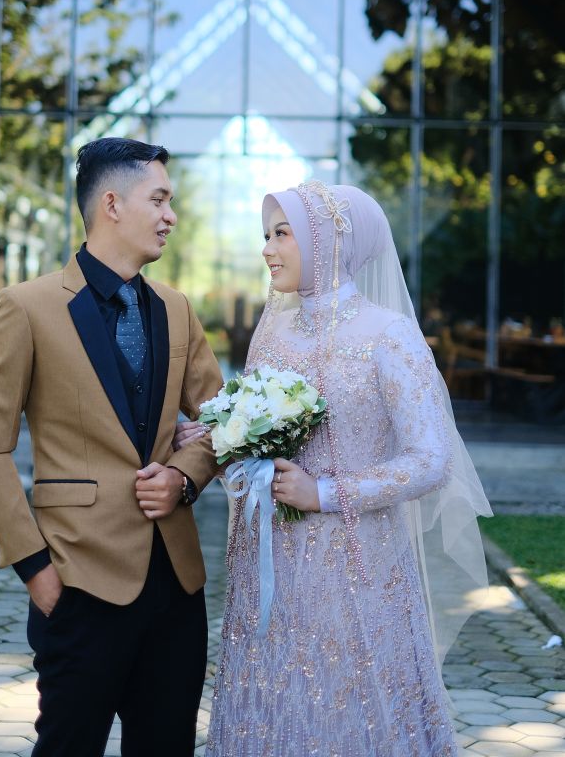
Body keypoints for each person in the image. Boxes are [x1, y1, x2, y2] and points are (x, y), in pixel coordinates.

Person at [176, 180, 491, 756]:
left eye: (282, 233)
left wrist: (323, 491)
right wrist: (221, 443)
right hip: (267, 563)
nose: (267, 249)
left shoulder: (388, 334)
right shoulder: (272, 331)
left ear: (328, 240)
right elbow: (260, 446)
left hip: (355, 566)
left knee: (350, 706)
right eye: (266, 235)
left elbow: (432, 460)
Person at [0, 137, 222, 757]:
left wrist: (184, 476)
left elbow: (224, 420)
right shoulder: (26, 307)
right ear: (111, 204)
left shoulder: (177, 308)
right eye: (158, 200)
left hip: (176, 586)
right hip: (76, 580)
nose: (170, 215)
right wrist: (35, 570)